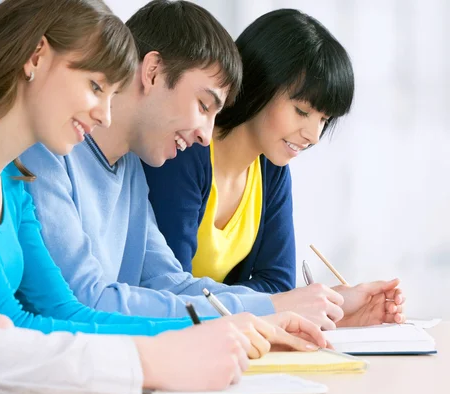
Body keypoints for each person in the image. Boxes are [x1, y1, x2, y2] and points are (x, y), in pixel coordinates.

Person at [0, 0, 298, 394]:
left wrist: (208, 329)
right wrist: (166, 349)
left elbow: (54, 311)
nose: (104, 114)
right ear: (38, 57)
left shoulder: (12, 175)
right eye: (96, 86)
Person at [21, 0, 405, 329]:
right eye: (203, 106)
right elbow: (85, 302)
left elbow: (170, 283)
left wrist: (311, 307)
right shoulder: (50, 149)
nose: (205, 134)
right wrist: (270, 308)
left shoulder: (132, 168)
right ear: (152, 71)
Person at [143, 8, 406, 329]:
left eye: (323, 120)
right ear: (260, 83)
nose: (313, 136)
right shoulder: (183, 149)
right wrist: (277, 303)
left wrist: (319, 303)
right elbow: (171, 292)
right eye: (301, 111)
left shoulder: (271, 169)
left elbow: (278, 284)